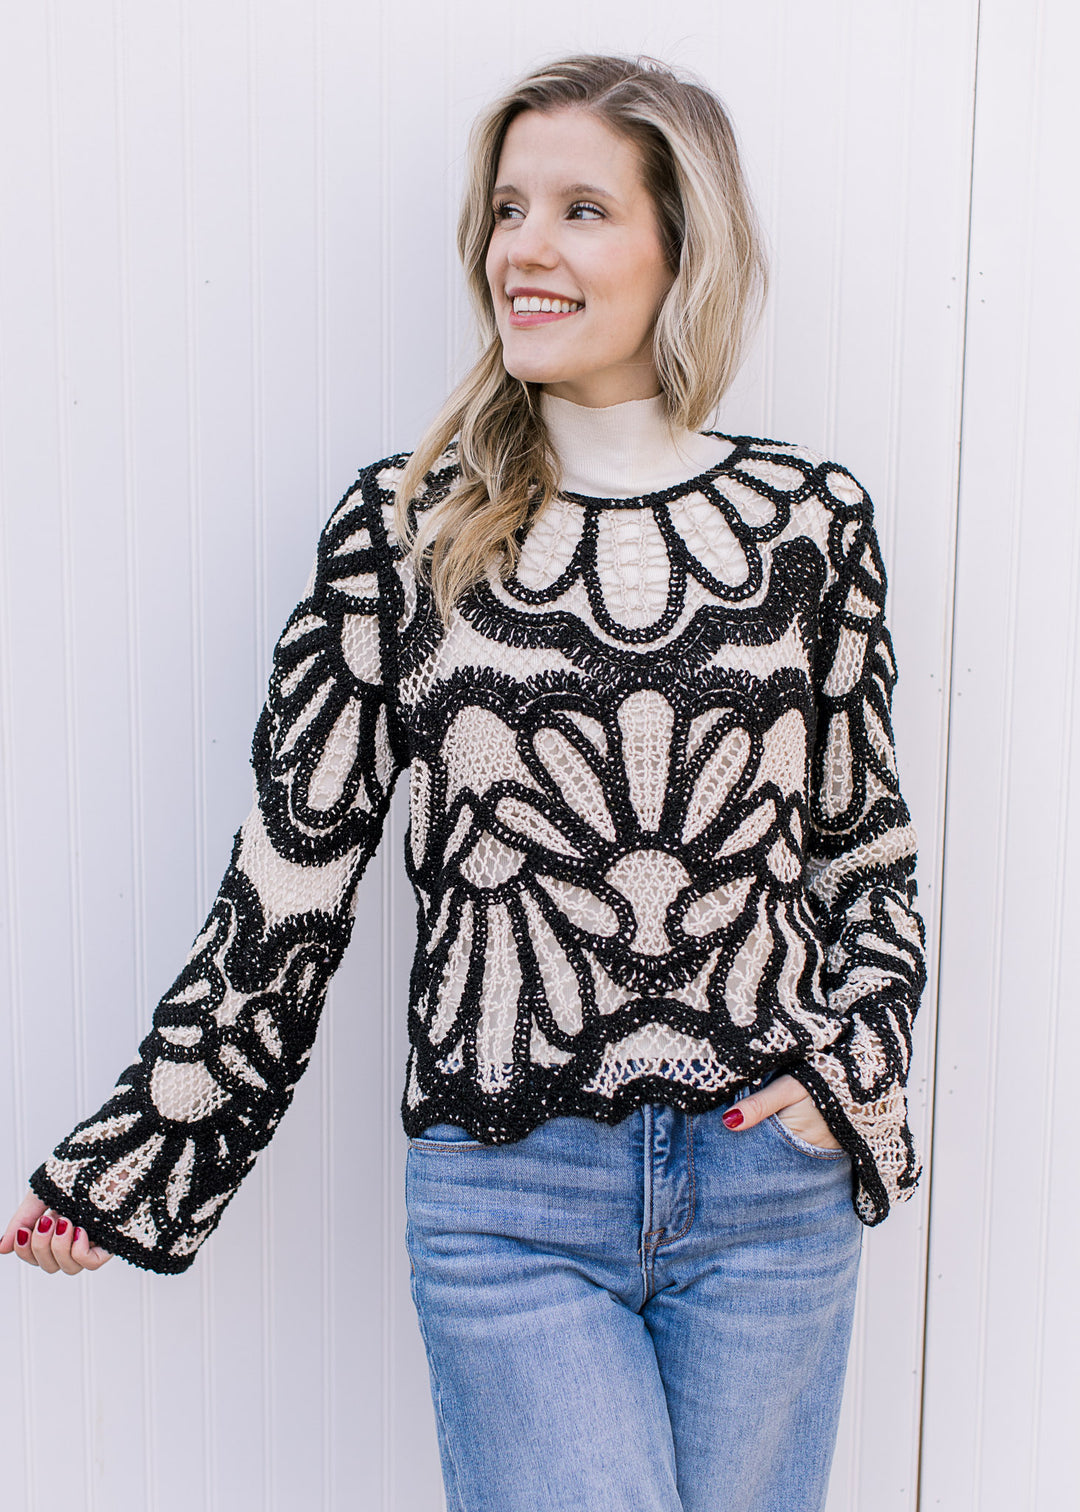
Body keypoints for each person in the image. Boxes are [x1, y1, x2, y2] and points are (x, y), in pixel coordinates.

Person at [1, 52, 927, 1512]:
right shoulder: (403, 528)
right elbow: (290, 881)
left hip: (771, 1192)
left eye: (580, 209)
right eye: (508, 208)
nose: (526, 250)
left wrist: (851, 1068)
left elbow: (862, 849)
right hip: (510, 1193)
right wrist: (138, 1160)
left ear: (683, 250)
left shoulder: (811, 524)